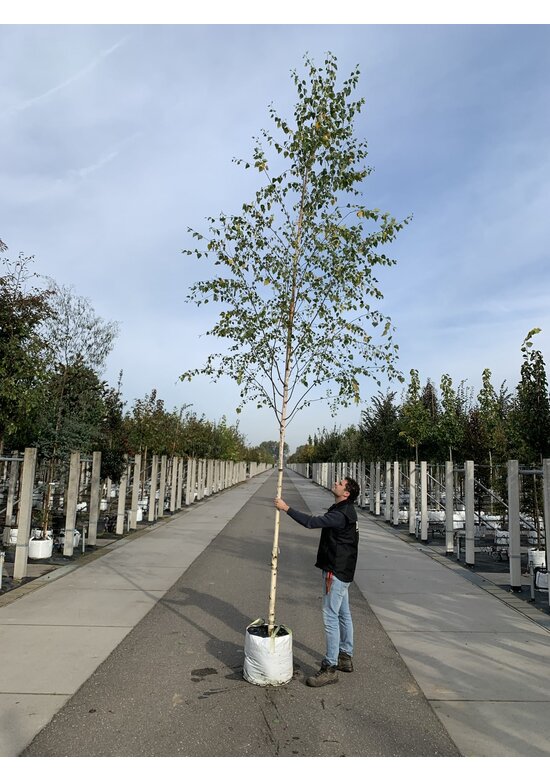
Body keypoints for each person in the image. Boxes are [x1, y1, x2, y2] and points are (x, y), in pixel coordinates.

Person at [274, 476, 360, 688]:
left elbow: (311, 522)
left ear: (346, 493)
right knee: (343, 613)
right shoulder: (344, 510)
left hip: (335, 571)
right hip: (344, 570)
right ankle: (345, 656)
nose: (336, 483)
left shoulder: (341, 514)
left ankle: (330, 667)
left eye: (340, 483)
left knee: (330, 616)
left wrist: (286, 508)